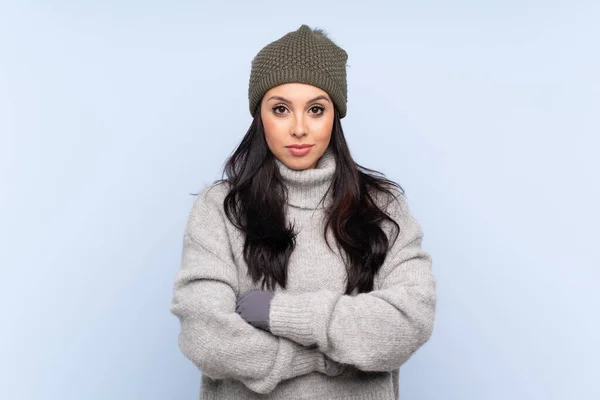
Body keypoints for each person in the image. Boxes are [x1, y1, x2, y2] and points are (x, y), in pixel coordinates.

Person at [170, 24, 436, 400]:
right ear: (259, 117)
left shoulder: (383, 207)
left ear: (335, 116)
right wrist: (322, 358)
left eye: (315, 109)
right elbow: (206, 338)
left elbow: (408, 323)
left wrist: (279, 314)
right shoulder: (220, 210)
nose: (298, 128)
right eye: (280, 109)